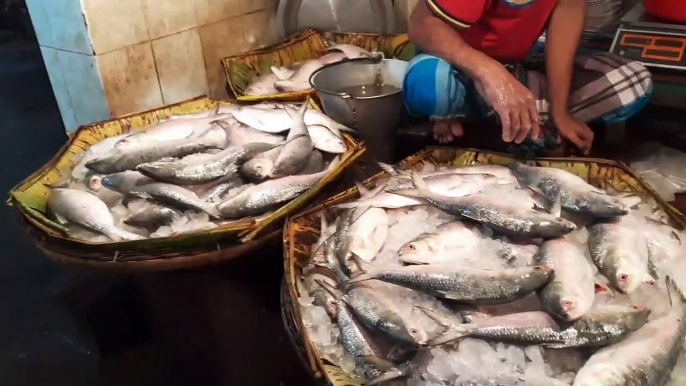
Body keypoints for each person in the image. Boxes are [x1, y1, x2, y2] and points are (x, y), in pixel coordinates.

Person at [403, 0, 653, 156]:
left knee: (632, 81)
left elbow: (564, 29)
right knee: (429, 84)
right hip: (459, 66)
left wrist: (561, 112)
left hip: (517, 68)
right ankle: (480, 116)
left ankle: (510, 117)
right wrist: (492, 75)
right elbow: (421, 25)